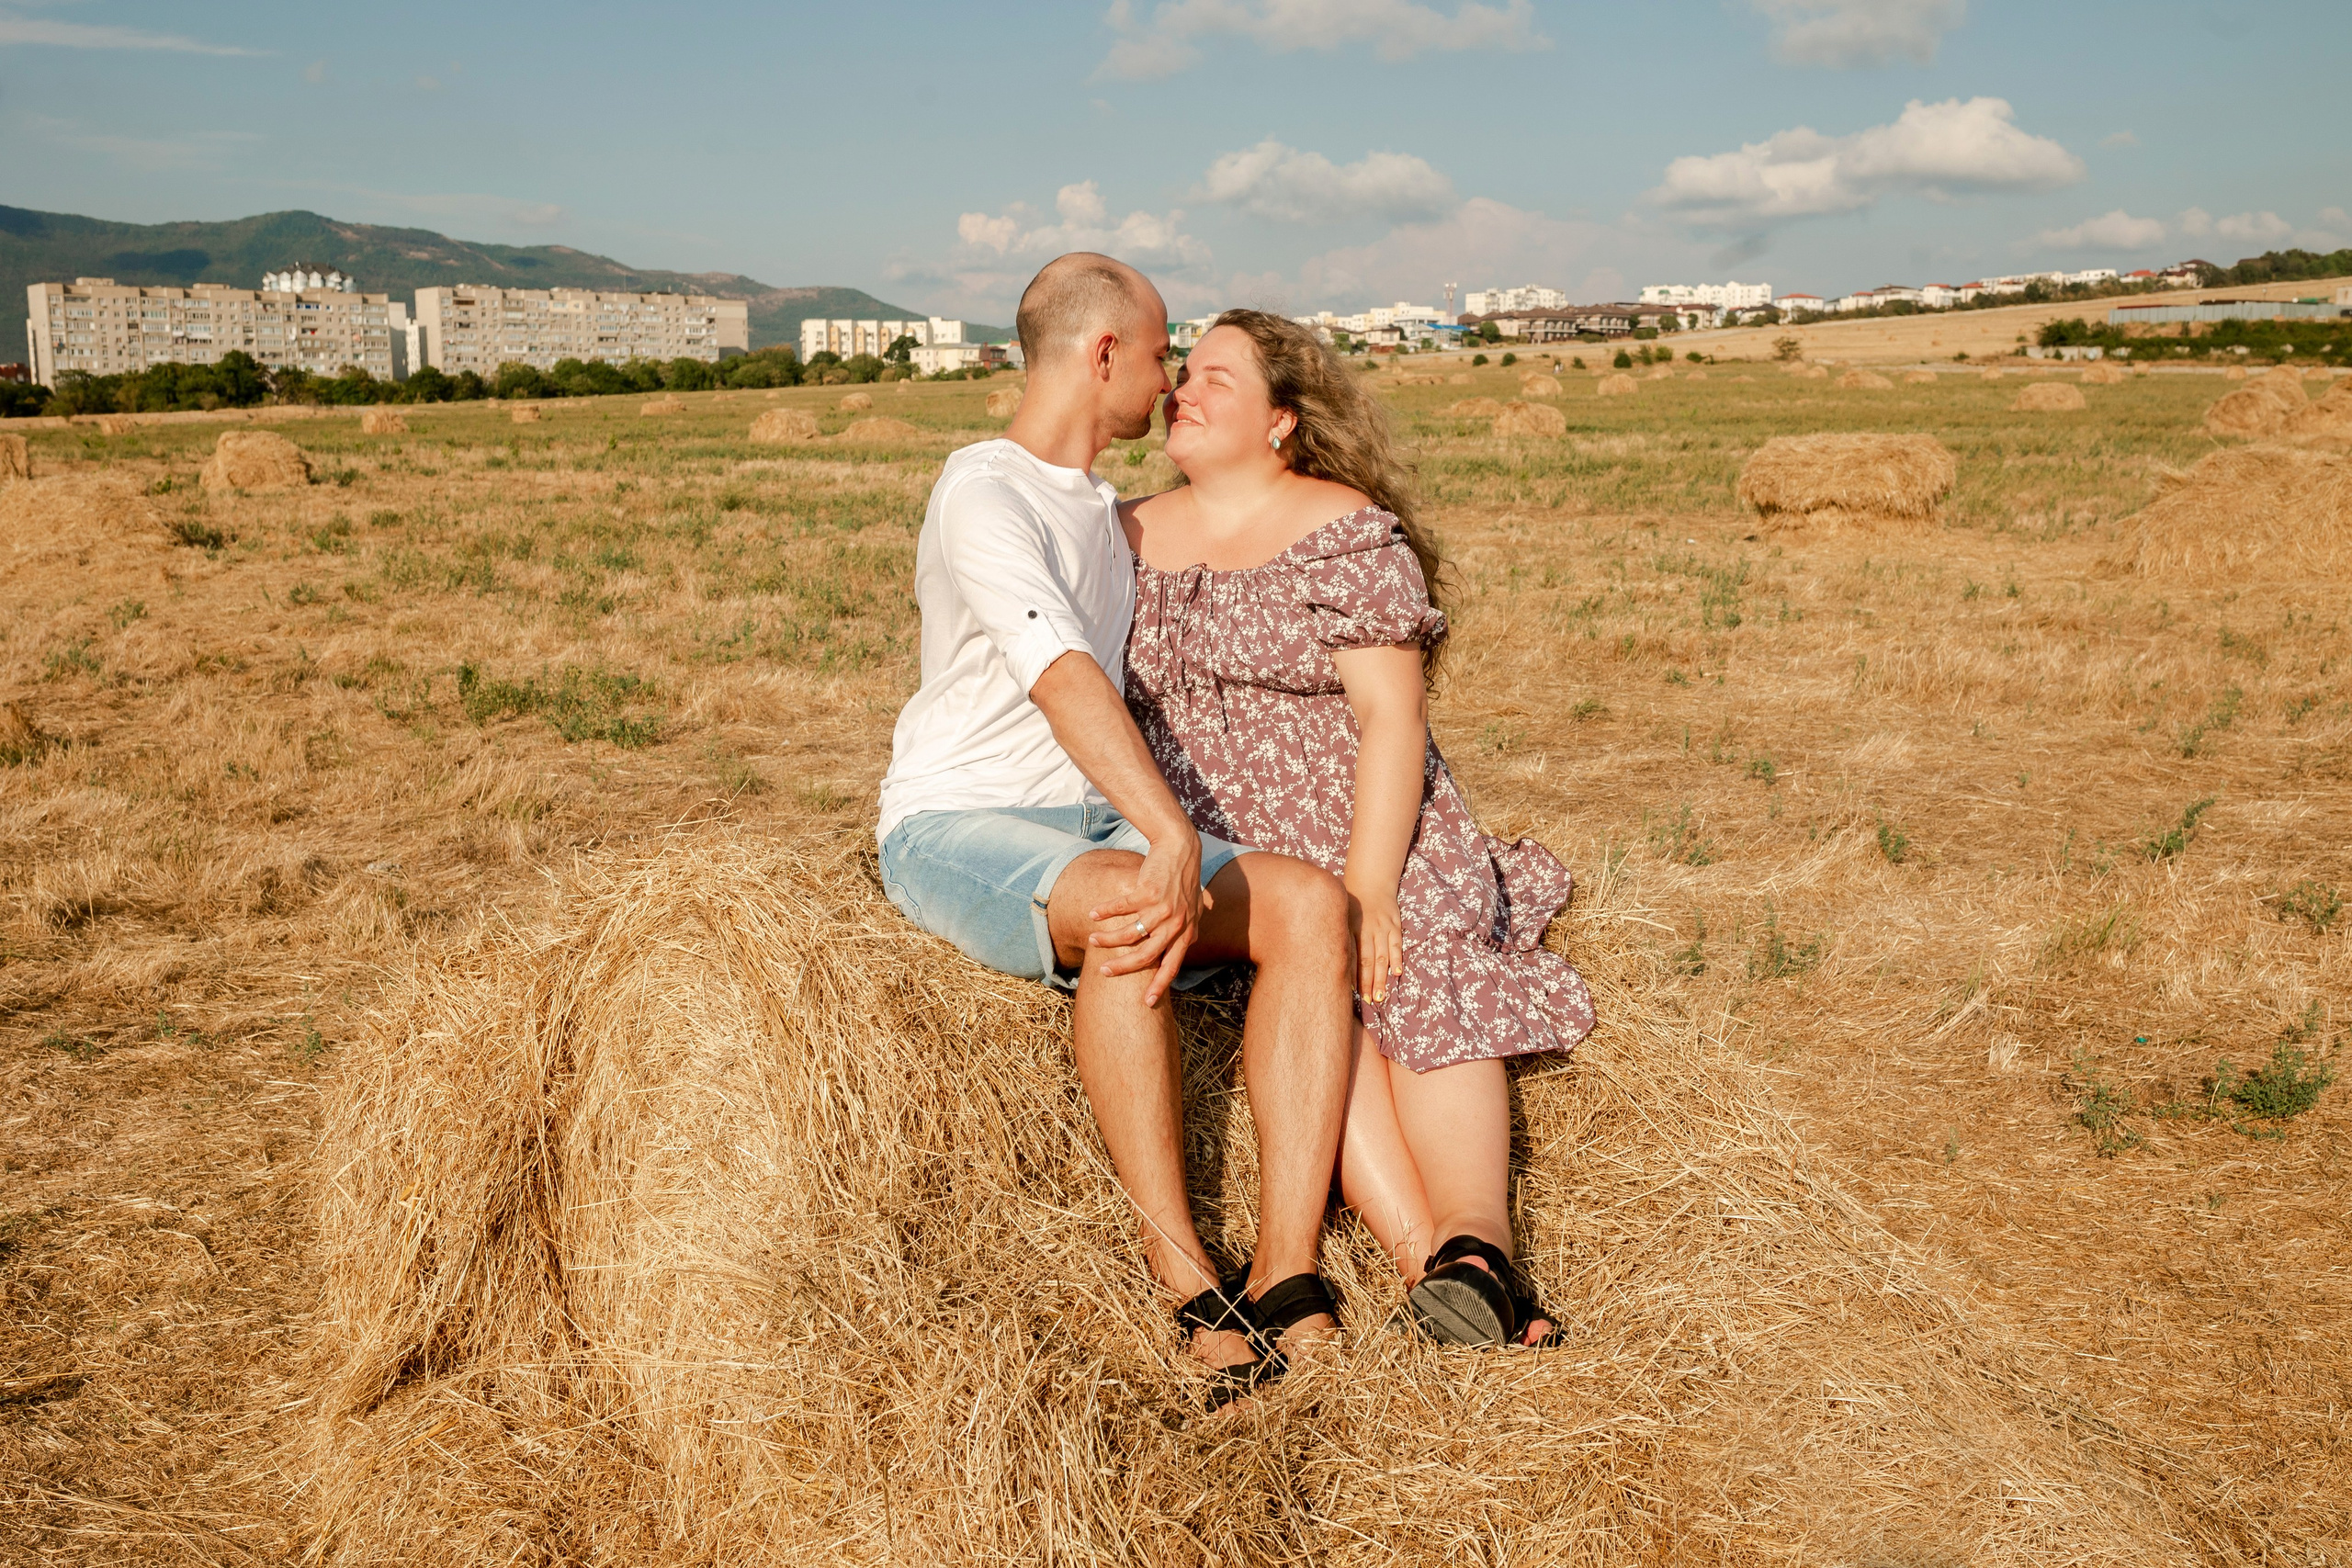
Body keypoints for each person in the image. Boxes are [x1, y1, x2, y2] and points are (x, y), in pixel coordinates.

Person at [876, 257, 1354, 1406]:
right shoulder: (982, 491)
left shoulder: (1105, 510)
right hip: (961, 821)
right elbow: (1061, 673)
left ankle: (1287, 1270)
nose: (1171, 374)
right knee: (1138, 903)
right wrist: (1168, 829)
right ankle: (1187, 1279)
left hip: (1092, 819)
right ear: (1102, 357)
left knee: (1310, 908)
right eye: (1158, 352)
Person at [1120, 310, 1598, 1347]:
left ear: (1283, 420)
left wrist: (1372, 886)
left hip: (1371, 825)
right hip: (1234, 852)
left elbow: (1391, 718)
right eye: (1180, 374)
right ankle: (1435, 1263)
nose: (1179, 392)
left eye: (1213, 379)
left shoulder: (1341, 527)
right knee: (1314, 1018)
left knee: (1411, 970)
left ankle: (1480, 1244)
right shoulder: (1125, 533)